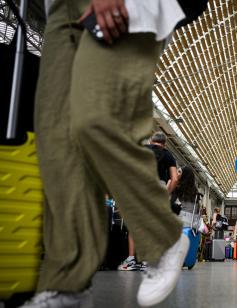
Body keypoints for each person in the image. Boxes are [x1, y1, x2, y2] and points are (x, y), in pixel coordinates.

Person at [26, 0, 189, 306]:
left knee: (96, 117)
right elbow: (174, 178)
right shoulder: (165, 157)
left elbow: (174, 176)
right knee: (56, 140)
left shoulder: (166, 157)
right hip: (61, 8)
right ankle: (67, 284)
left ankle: (162, 234)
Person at [119, 132, 179, 271]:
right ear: (165, 143)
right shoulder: (168, 155)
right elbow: (174, 179)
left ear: (152, 141)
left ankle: (132, 260)